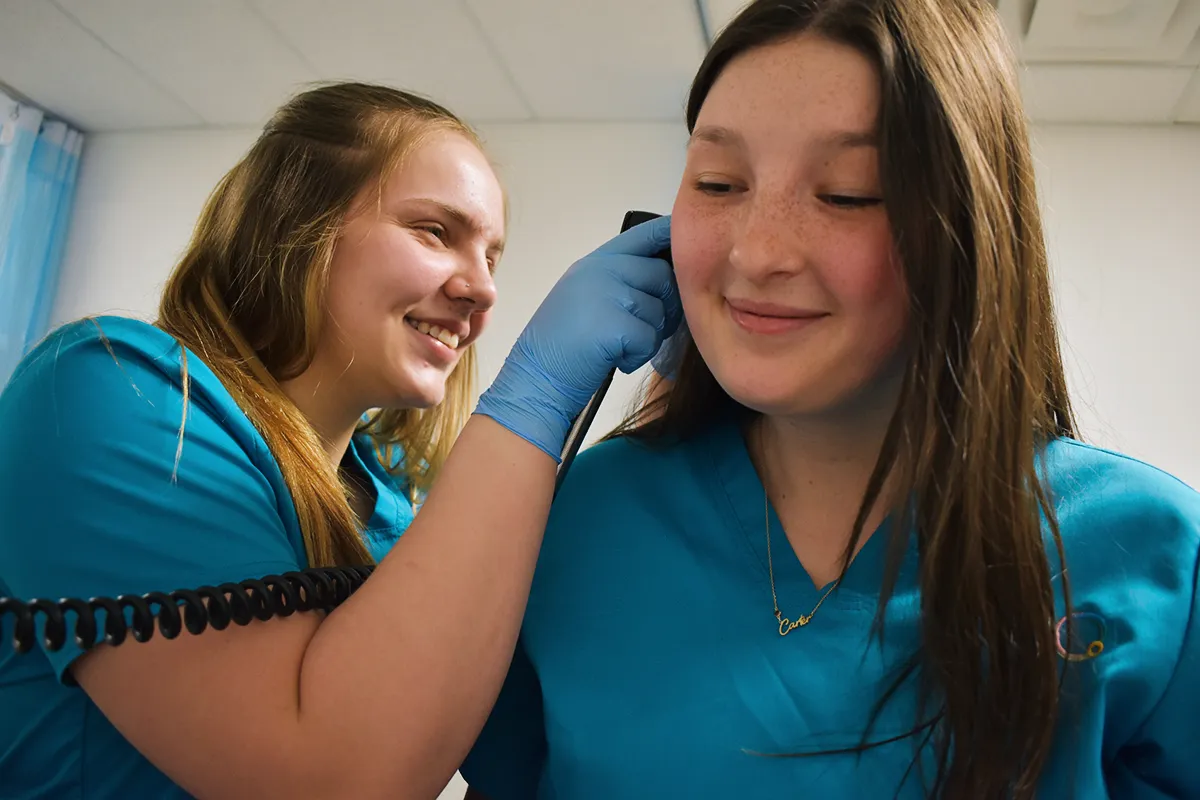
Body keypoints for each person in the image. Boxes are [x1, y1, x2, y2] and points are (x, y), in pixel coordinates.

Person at [458, 1, 1200, 798]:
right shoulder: (583, 519)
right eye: (718, 182)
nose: (757, 250)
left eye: (848, 193)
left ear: (968, 228)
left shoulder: (1142, 550)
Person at [0, 82, 680, 799]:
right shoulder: (109, 391)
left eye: (493, 259)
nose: (482, 291)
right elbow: (327, 778)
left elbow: (529, 762)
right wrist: (535, 399)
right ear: (292, 225)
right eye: (434, 231)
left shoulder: (389, 515)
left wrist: (673, 414)